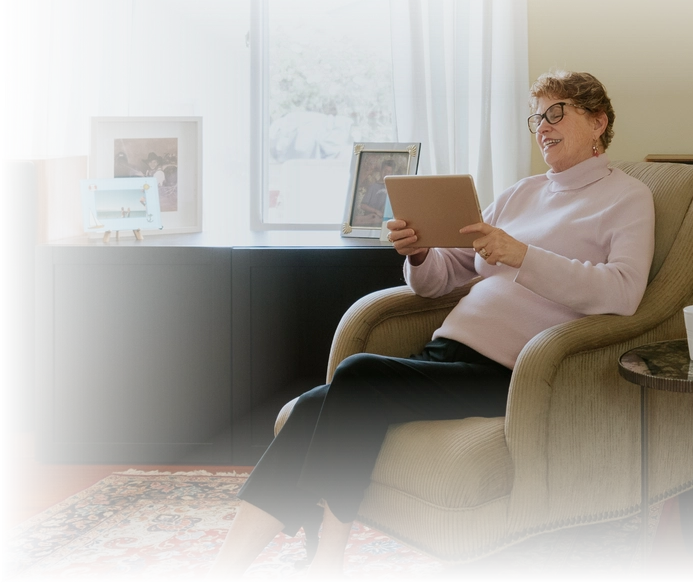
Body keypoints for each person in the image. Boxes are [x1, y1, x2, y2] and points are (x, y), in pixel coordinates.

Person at [205, 71, 655, 582]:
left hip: (514, 374)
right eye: (537, 117)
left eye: (558, 113)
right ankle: (224, 574)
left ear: (599, 122)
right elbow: (441, 279)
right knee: (313, 407)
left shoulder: (627, 197)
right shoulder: (521, 194)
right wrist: (420, 251)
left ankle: (326, 563)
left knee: (355, 375)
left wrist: (522, 254)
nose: (543, 127)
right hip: (445, 356)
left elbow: (623, 292)